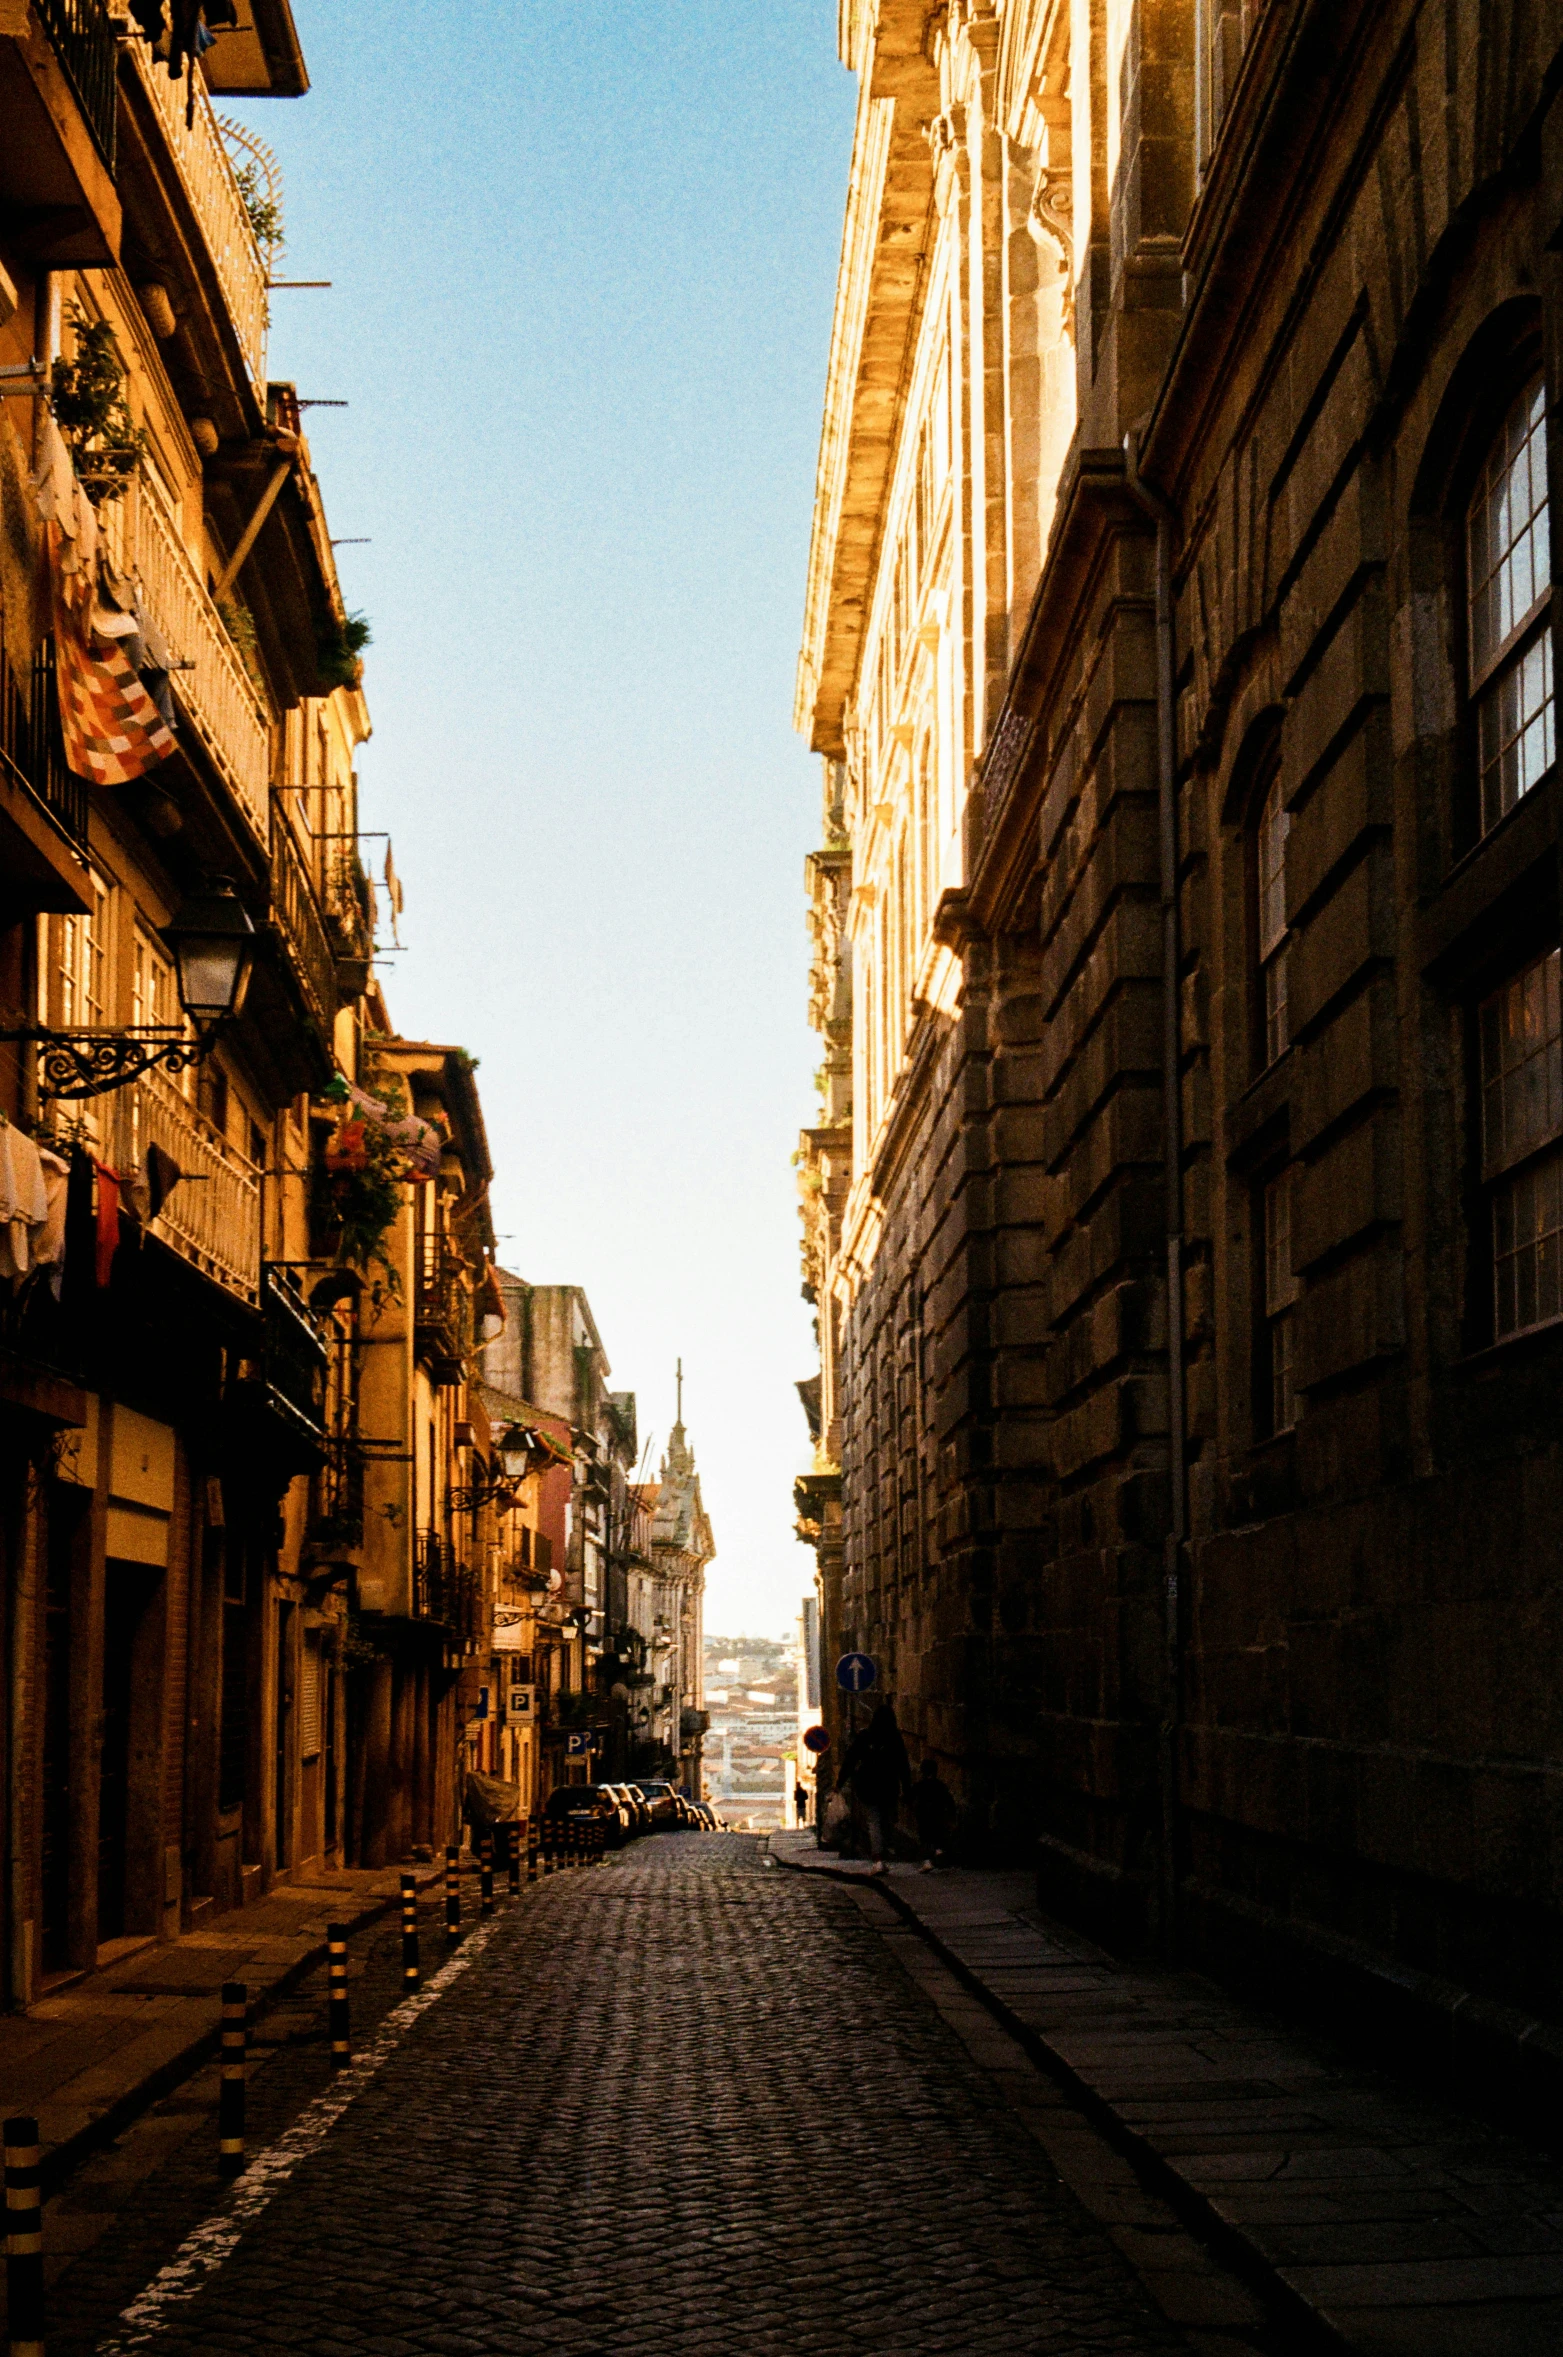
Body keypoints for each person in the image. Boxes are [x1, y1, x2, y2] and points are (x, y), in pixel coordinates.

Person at [838, 1701, 912, 1874]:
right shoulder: (895, 1738)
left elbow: (850, 1760)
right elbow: (903, 1765)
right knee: (887, 1820)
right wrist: (906, 1788)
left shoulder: (865, 1736)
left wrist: (839, 1783)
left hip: (868, 1786)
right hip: (889, 1786)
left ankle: (878, 1858)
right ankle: (885, 1852)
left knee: (874, 1822)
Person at [910, 1757, 956, 1872]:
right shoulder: (940, 1785)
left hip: (923, 1816)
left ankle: (927, 1861)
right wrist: (951, 1814)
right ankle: (939, 1851)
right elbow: (949, 1801)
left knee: (925, 1838)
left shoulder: (920, 1785)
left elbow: (910, 1796)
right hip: (938, 1815)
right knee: (937, 1836)